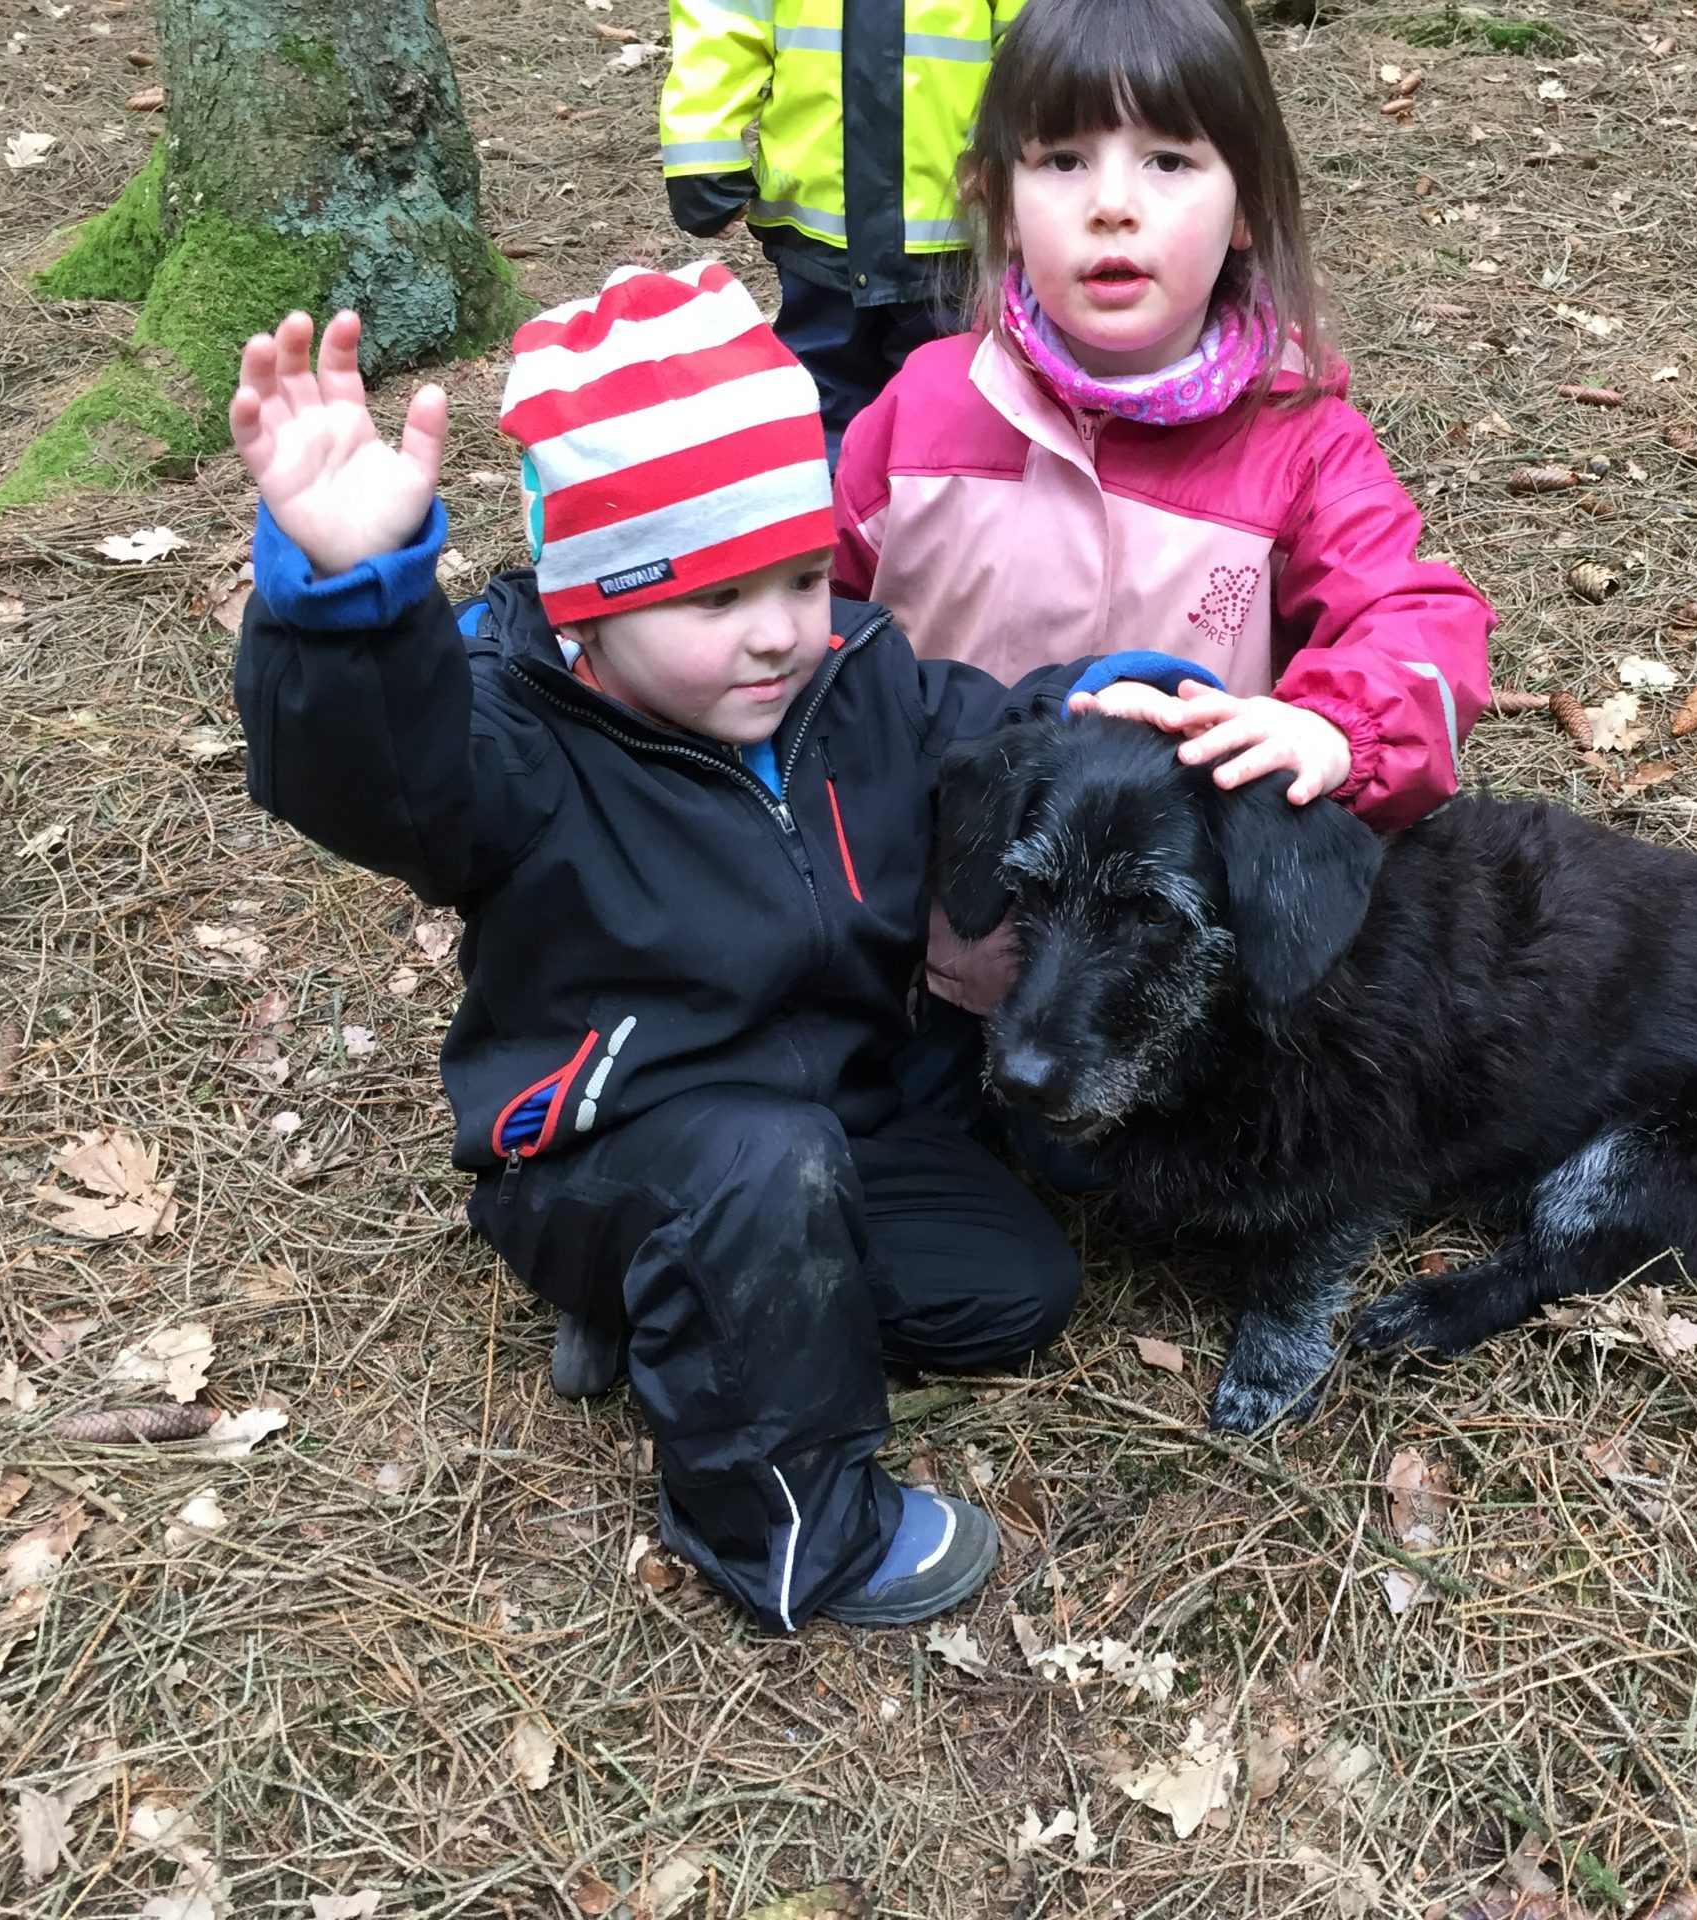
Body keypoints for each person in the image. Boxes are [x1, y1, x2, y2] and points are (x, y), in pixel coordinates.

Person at [226, 262, 1201, 1631]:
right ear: (590, 607)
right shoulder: (515, 741)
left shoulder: (853, 680)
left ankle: (679, 1314)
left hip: (832, 1132)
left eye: (801, 577)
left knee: (1013, 1286)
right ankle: (792, 1530)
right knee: (757, 1170)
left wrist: (1114, 703)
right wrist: (353, 604)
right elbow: (372, 776)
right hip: (609, 1151)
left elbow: (1003, 738)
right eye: (713, 599)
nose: (777, 634)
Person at [832, 0, 1494, 1033]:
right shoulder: (920, 411)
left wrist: (1334, 725)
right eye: (1061, 160)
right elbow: (811, 617)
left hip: (1144, 985)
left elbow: (1419, 623)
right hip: (906, 934)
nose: (1112, 205)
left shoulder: (1303, 446)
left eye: (1169, 160)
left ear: (1247, 206)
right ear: (996, 203)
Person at [661, 0, 1020, 462]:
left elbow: (1039, 34)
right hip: (826, 231)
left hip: (956, 230)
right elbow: (724, 16)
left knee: (952, 418)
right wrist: (703, 151)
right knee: (825, 411)